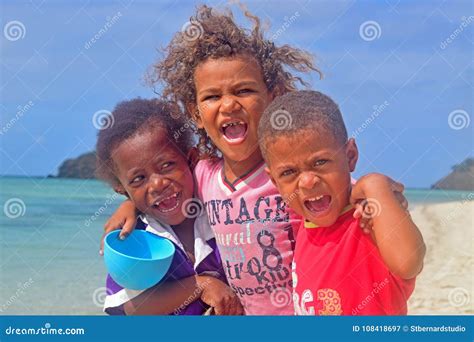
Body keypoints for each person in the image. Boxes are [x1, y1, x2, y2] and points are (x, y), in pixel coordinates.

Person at [102, 5, 407, 315]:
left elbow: (340, 191)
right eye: (212, 97)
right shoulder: (205, 175)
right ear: (195, 113)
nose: (229, 104)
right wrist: (129, 205)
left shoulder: (289, 174)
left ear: (272, 97)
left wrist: (376, 194)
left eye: (244, 90)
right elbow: (163, 186)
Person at [258, 90, 426, 315]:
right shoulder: (304, 229)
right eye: (289, 172)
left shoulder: (368, 220)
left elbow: (410, 262)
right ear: (274, 181)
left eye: (320, 162)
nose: (307, 181)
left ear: (350, 157)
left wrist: (375, 185)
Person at [96, 98, 243, 315]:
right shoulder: (135, 240)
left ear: (191, 160)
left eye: (167, 165)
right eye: (138, 179)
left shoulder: (221, 209)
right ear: (122, 190)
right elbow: (128, 309)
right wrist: (200, 286)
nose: (157, 184)